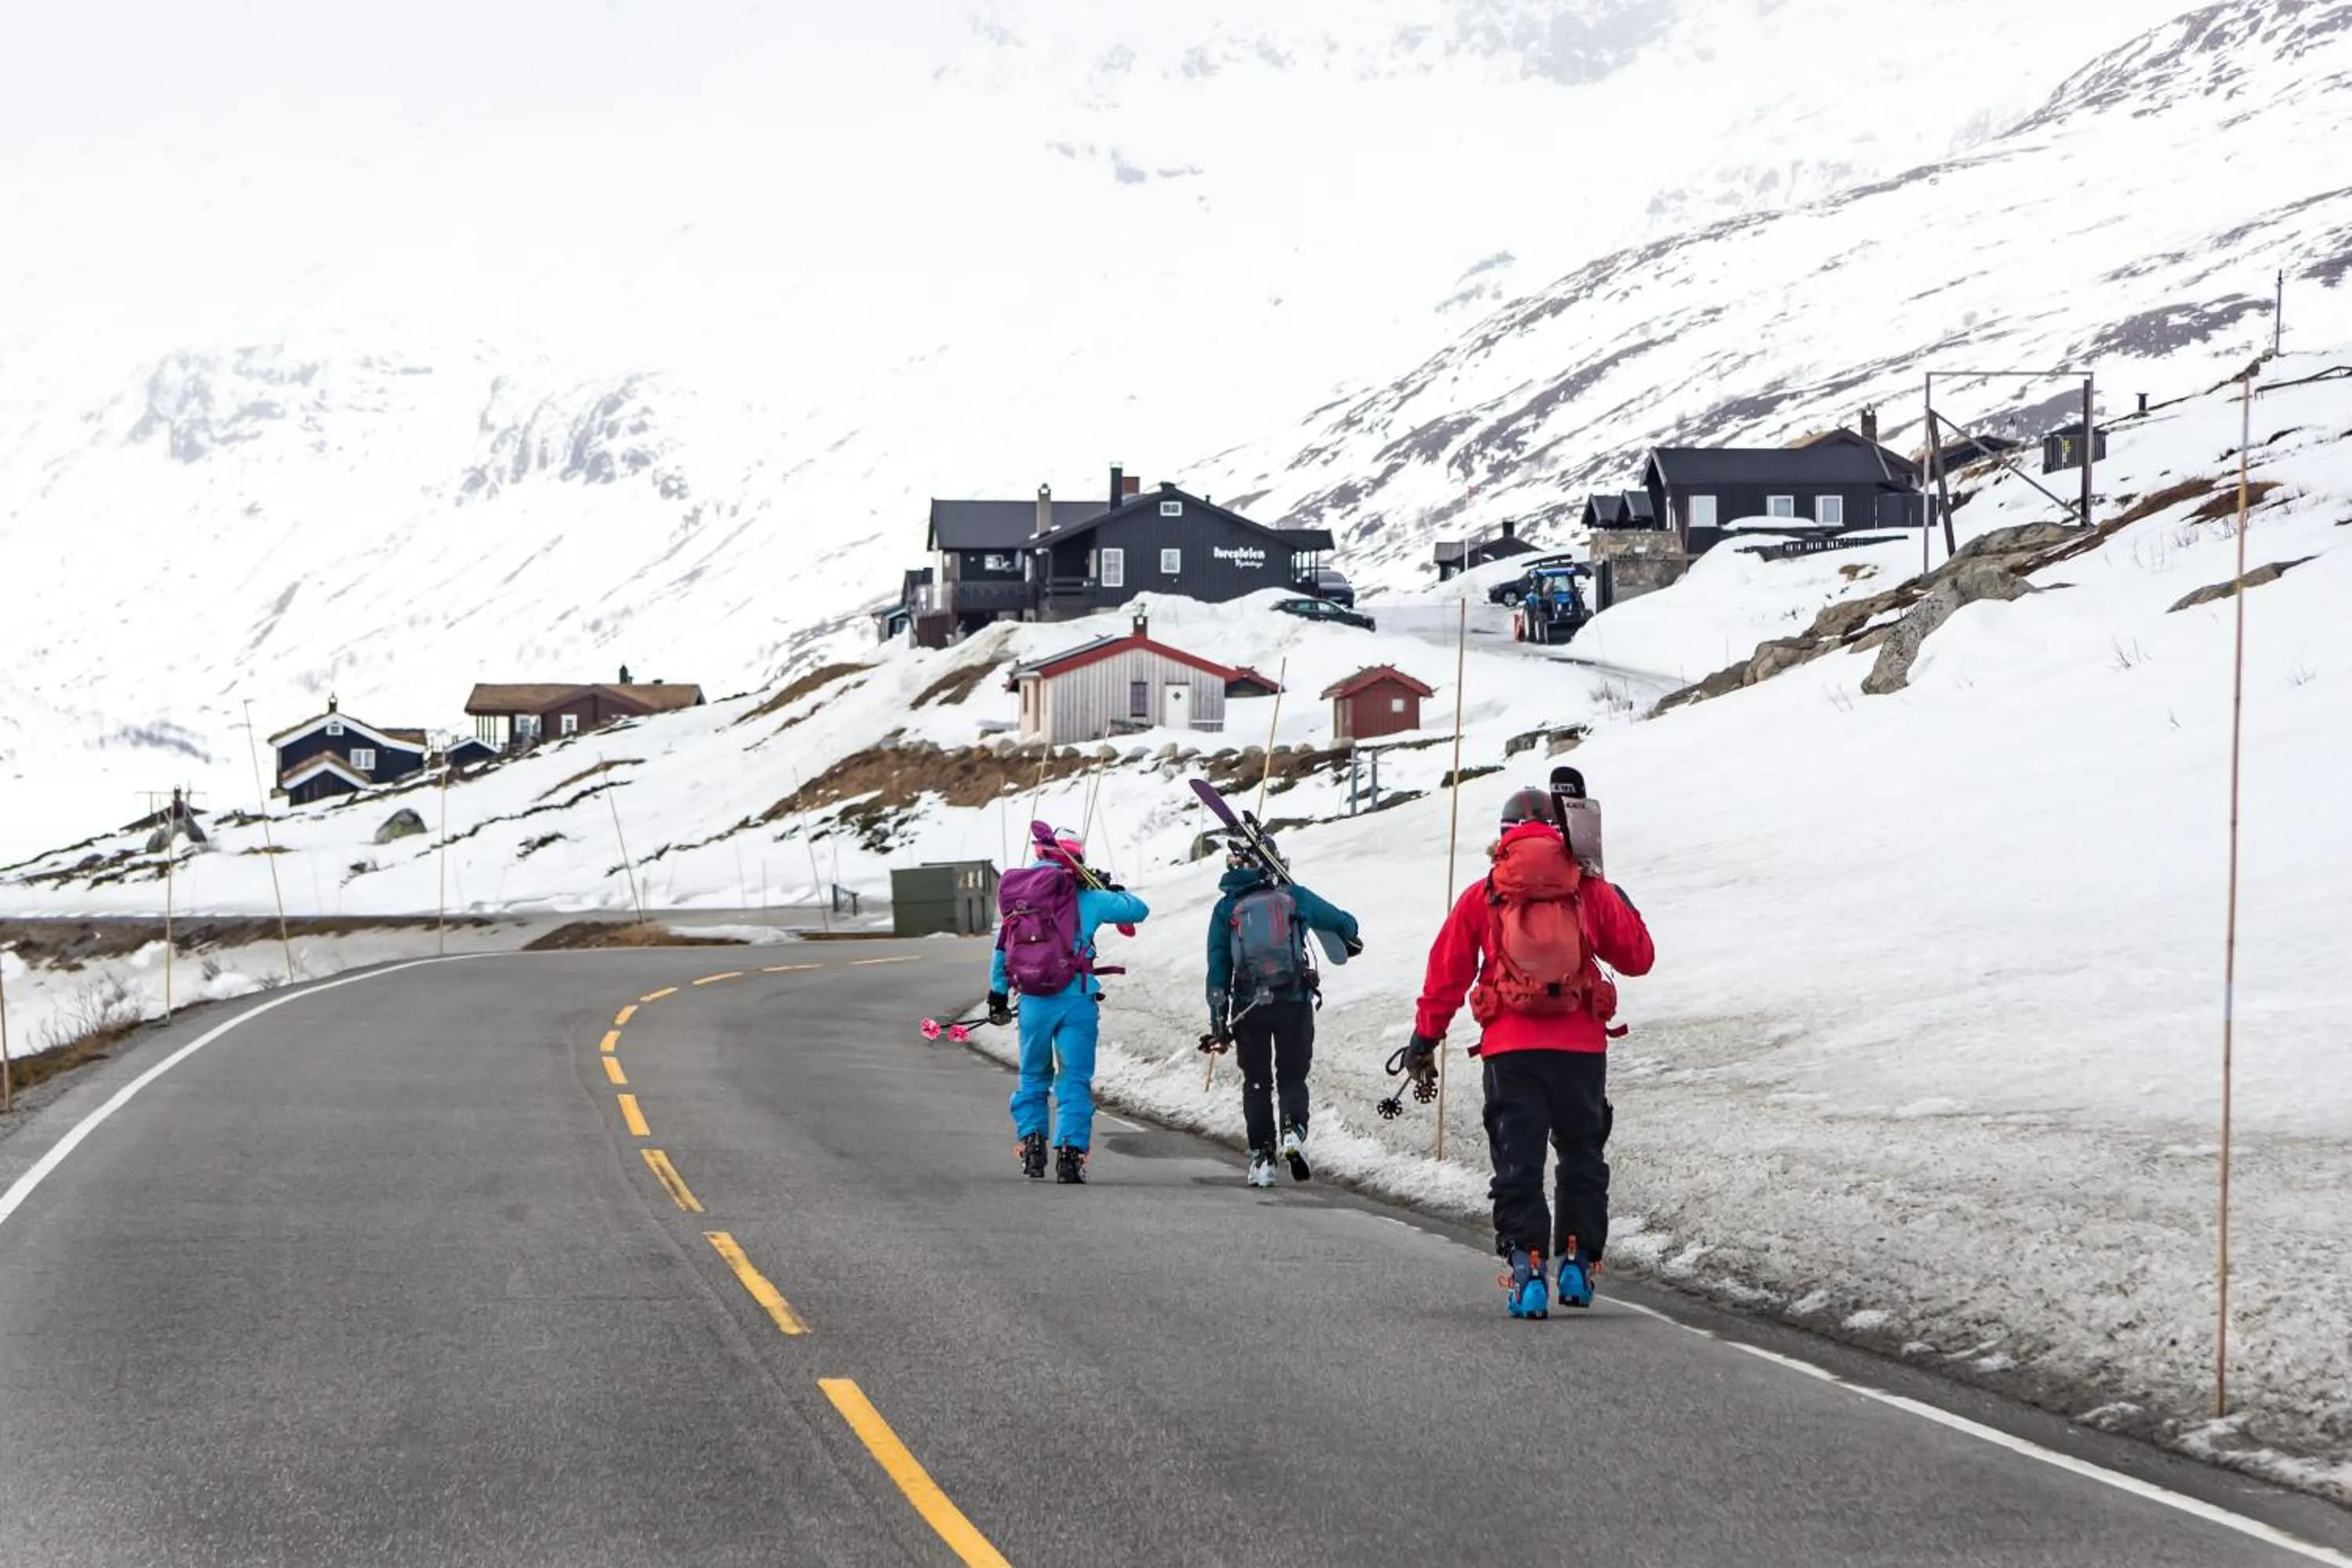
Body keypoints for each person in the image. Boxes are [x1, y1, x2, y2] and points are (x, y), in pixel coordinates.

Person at [1402, 785, 1653, 1318]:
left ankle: (1528, 1270)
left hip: (1511, 1049)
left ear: (1503, 837)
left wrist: (1426, 1036)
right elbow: (1637, 958)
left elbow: (1446, 973)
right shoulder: (1588, 888)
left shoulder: (1484, 893)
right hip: (1580, 1048)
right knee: (1581, 1155)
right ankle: (1577, 1265)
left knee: (1518, 1160)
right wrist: (1618, 897)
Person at [988, 829, 1149, 1185]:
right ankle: (1071, 1156)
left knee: (1033, 1076)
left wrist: (997, 994)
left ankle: (1032, 1144)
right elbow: (1139, 909)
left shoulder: (1020, 899)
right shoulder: (1088, 898)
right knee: (1073, 1078)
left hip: (1033, 1002)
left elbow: (1002, 950)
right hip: (1076, 1000)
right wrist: (1111, 890)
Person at [1203, 840, 1359, 1188]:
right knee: (1292, 1078)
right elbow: (1341, 922)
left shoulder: (1226, 907)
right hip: (1294, 1001)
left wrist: (1218, 1019)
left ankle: (1262, 1159)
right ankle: (1293, 1131)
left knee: (1256, 1082)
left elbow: (1218, 966)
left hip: (1249, 1006)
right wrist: (1350, 932)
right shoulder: (1295, 896)